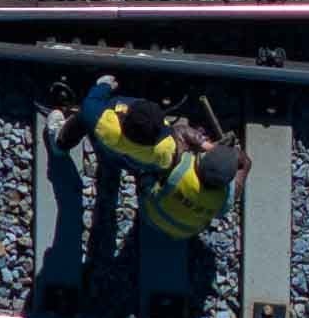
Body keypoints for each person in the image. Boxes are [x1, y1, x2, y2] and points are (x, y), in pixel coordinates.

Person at [51, 73, 242, 243]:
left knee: (83, 118)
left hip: (109, 148)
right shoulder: (167, 152)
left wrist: (105, 84)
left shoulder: (106, 125)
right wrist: (207, 145)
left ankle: (60, 142)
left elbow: (89, 105)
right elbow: (178, 138)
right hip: (140, 171)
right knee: (146, 170)